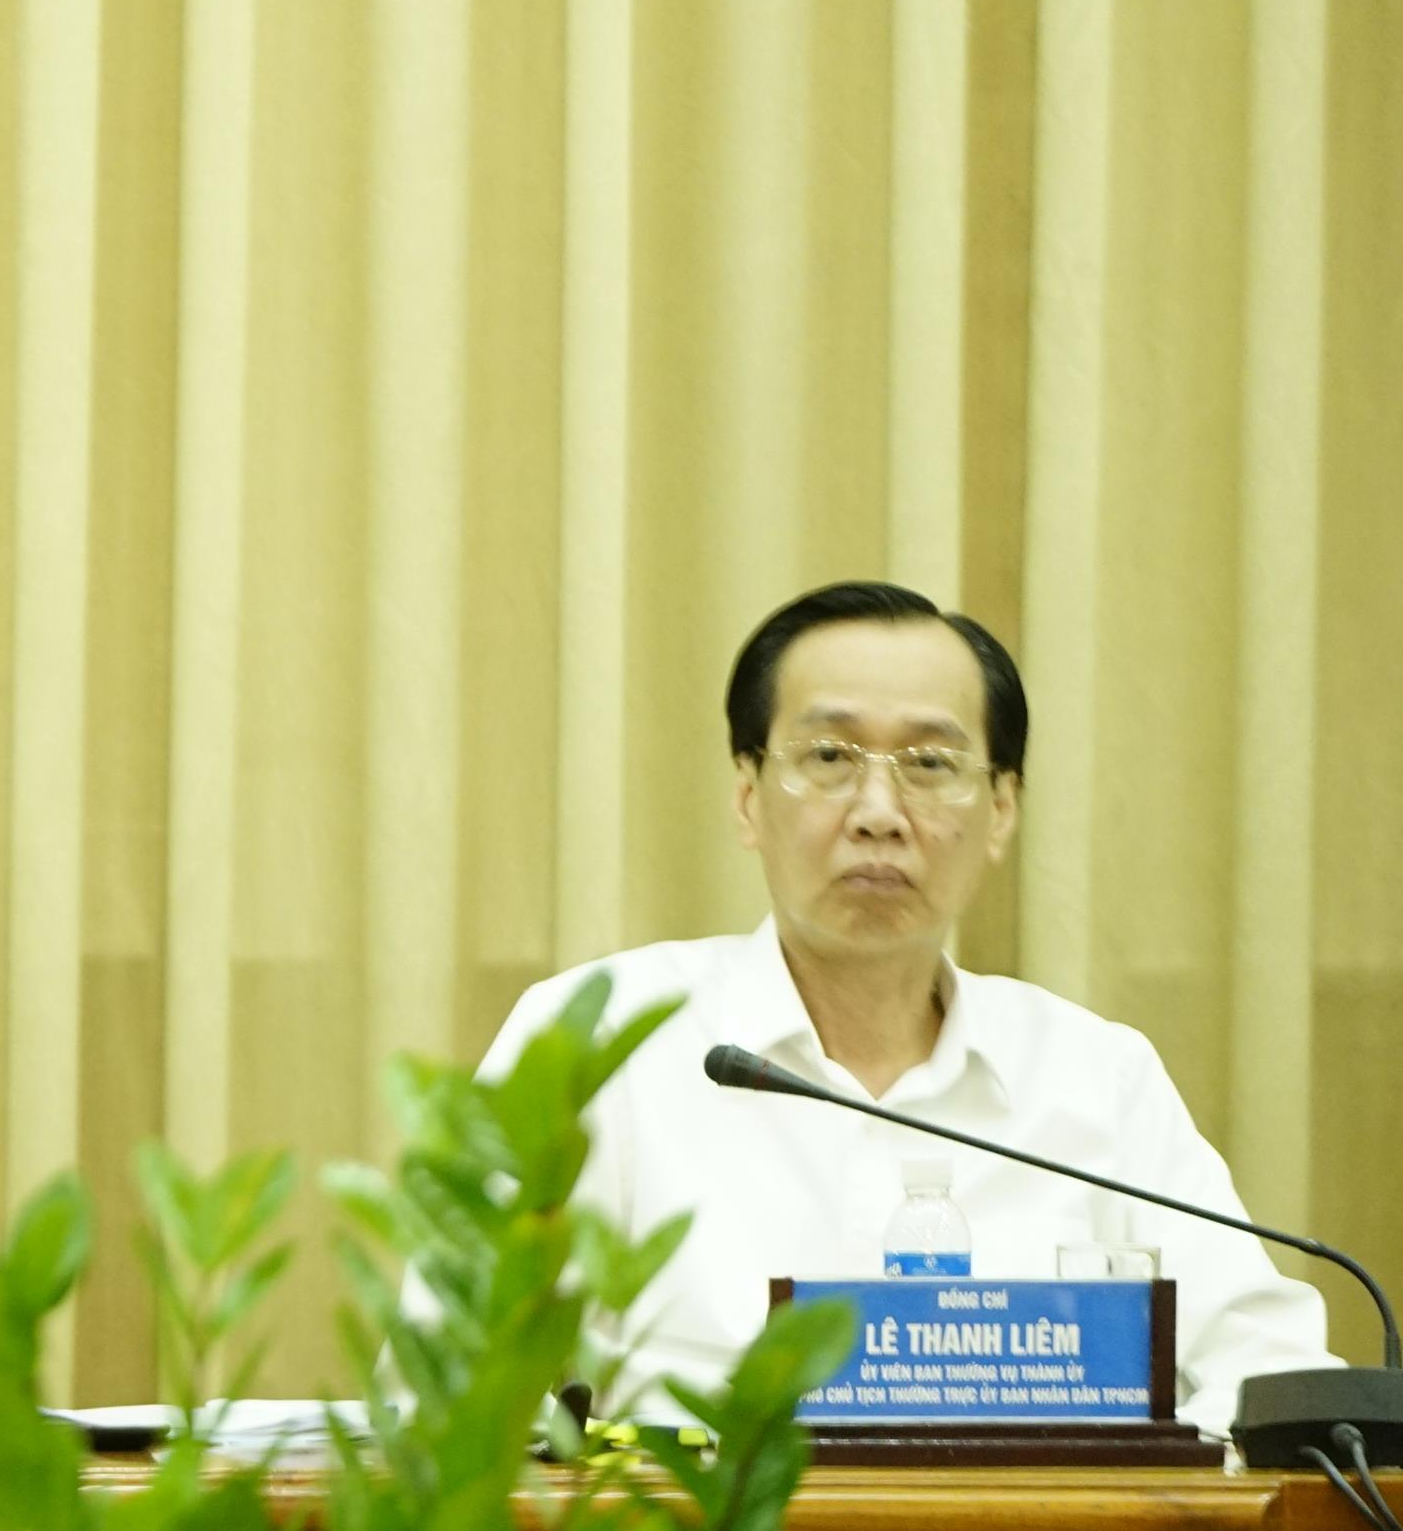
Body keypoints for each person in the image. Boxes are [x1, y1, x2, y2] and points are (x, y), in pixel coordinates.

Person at [485, 581, 1327, 1428]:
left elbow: (1274, 1379)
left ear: (1002, 811)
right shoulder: (600, 1042)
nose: (880, 814)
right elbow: (451, 1375)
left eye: (930, 766)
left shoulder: (1097, 1079)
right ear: (747, 798)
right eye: (829, 758)